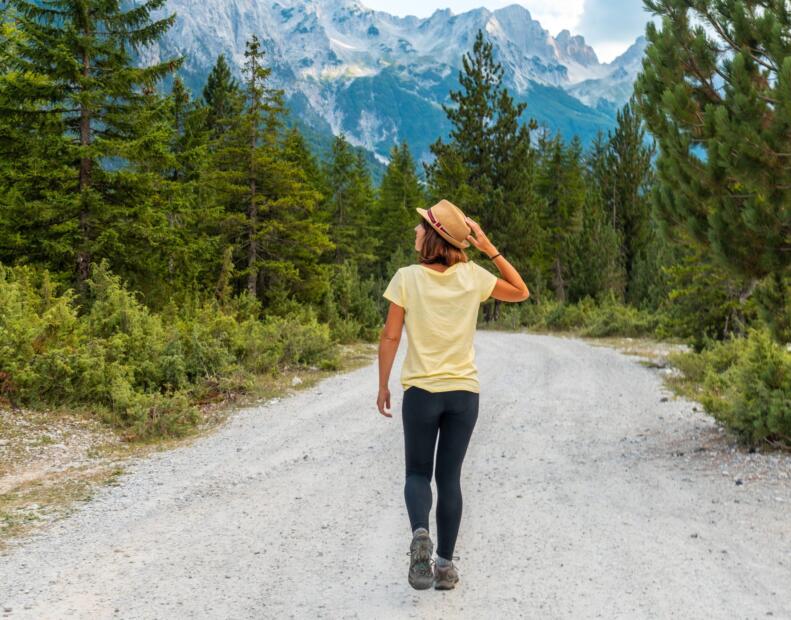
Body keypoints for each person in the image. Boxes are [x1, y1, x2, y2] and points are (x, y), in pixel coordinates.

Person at [376, 198, 530, 591]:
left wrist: (383, 384)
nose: (415, 230)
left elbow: (391, 335)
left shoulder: (406, 278)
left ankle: (420, 533)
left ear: (433, 236)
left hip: (422, 393)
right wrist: (487, 246)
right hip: (463, 395)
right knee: (450, 479)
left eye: (421, 225)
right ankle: (443, 566)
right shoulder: (473, 276)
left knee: (416, 473)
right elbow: (520, 291)